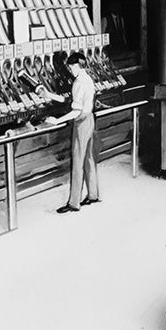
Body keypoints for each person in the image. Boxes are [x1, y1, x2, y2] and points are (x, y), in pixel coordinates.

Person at [38, 51, 99, 213]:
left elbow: (75, 111)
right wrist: (48, 94)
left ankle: (74, 203)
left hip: (81, 123)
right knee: (89, 159)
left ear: (77, 66)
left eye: (71, 67)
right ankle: (93, 194)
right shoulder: (88, 79)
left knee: (78, 163)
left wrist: (56, 120)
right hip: (90, 119)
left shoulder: (78, 83)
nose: (70, 70)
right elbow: (71, 101)